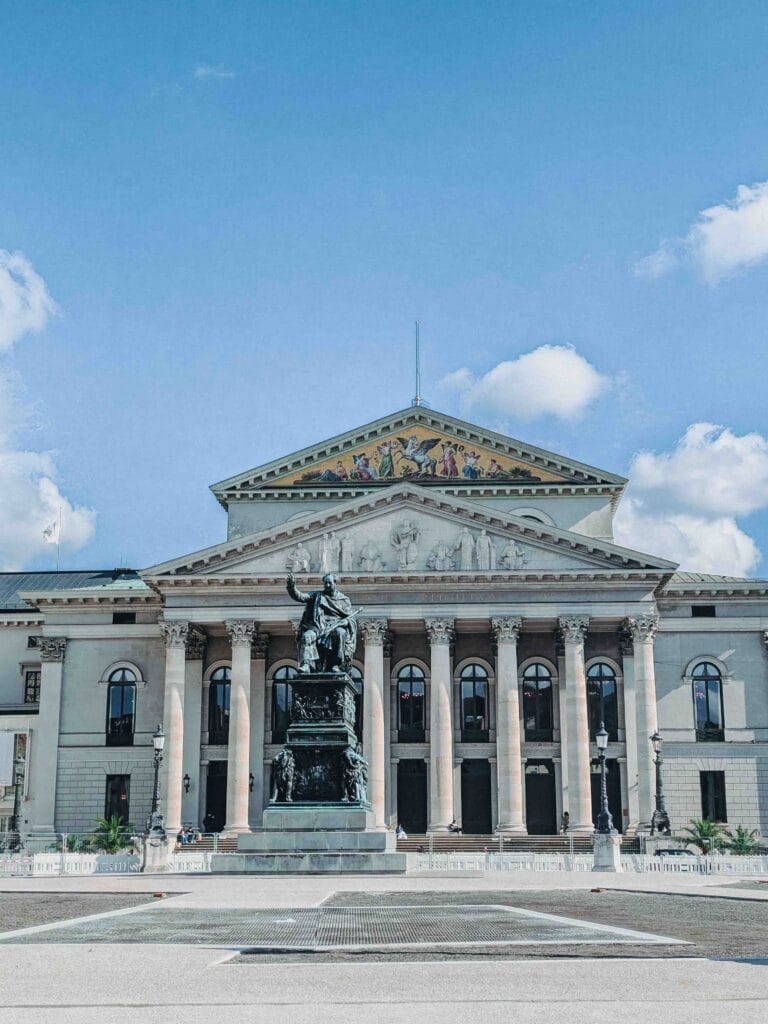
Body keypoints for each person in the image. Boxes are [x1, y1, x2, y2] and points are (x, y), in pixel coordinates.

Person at [287, 572, 358, 673]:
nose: (327, 585)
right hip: (318, 626)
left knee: (340, 633)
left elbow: (351, 619)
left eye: (329, 583)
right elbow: (300, 597)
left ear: (335, 583)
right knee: (307, 635)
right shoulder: (317, 595)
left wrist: (345, 622)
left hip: (335, 626)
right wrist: (291, 587)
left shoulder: (344, 600)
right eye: (325, 583)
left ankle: (335, 664)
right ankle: (307, 665)